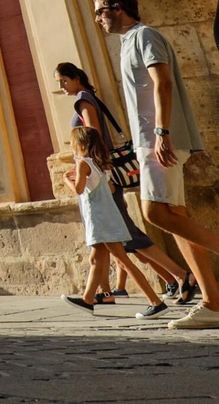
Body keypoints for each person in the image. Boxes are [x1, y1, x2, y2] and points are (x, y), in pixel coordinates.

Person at [94, 0, 219, 329]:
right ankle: (215, 305)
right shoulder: (127, 42)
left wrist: (162, 132)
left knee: (154, 213)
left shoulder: (145, 35)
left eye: (100, 11)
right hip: (151, 141)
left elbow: (163, 83)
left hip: (159, 140)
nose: (97, 19)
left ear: (117, 8)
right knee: (176, 220)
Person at [53, 62, 192, 304]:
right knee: (118, 239)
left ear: (76, 78)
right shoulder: (90, 97)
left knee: (126, 234)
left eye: (64, 81)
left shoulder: (82, 100)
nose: (61, 87)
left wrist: (84, 166)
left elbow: (92, 134)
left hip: (99, 175)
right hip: (103, 172)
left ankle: (180, 276)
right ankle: (106, 293)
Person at [63, 126, 168, 319]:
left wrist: (67, 179)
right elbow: (111, 189)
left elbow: (78, 190)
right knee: (95, 259)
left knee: (123, 261)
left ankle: (156, 302)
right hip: (107, 217)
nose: (71, 147)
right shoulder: (99, 165)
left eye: (72, 143)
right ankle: (87, 300)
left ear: (81, 144)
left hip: (100, 220)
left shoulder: (83, 164)